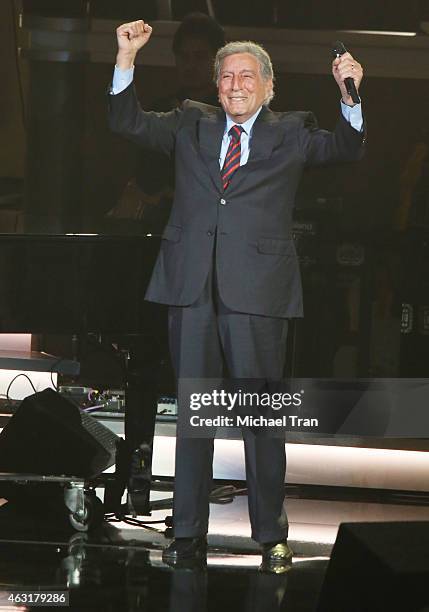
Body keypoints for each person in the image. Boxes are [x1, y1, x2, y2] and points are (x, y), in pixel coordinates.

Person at [108, 19, 365, 569]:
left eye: (246, 76)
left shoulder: (293, 130)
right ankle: (186, 536)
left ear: (267, 87)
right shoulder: (189, 123)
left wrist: (349, 91)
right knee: (195, 416)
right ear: (216, 85)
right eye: (226, 76)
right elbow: (126, 121)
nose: (234, 85)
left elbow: (347, 146)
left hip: (258, 293)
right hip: (191, 287)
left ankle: (270, 535)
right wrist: (126, 58)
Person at [106, 13, 225, 233]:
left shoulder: (232, 114)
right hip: (158, 226)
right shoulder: (163, 110)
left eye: (199, 57)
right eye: (184, 57)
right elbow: (144, 172)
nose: (190, 65)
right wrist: (126, 55)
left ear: (218, 59)